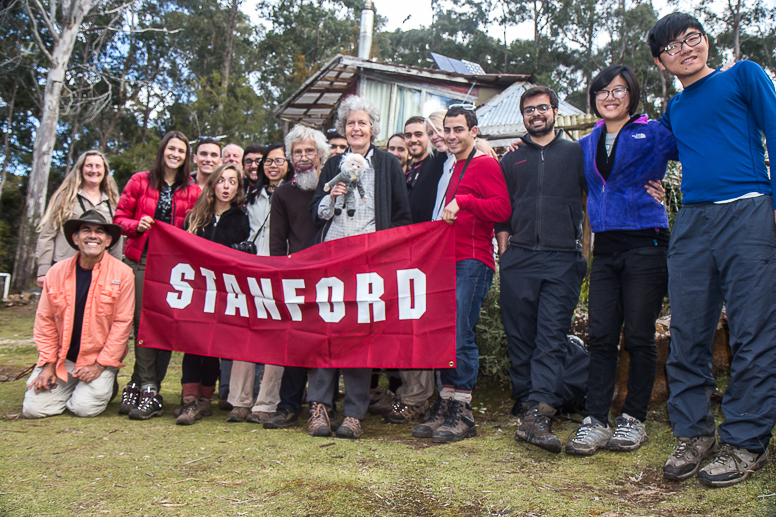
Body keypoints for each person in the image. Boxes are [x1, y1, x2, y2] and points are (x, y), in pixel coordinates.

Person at [647, 13, 776, 487]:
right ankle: (693, 432)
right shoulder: (675, 111)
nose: (685, 48)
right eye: (673, 46)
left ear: (706, 41)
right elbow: (644, 148)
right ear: (662, 61)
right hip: (695, 221)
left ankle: (745, 442)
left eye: (692, 38)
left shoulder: (744, 75)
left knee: (752, 330)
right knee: (688, 331)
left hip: (748, 209)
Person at [565, 65, 677, 456]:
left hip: (647, 242)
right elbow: (555, 166)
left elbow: (696, 151)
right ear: (594, 98)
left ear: (632, 95)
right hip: (607, 249)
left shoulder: (653, 131)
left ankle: (633, 419)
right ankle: (595, 419)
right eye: (602, 91)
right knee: (602, 336)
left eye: (619, 90)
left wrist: (678, 190)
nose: (610, 97)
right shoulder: (585, 143)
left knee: (641, 335)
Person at [308, 95, 412, 439]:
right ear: (343, 128)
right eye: (351, 122)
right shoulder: (332, 163)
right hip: (332, 256)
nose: (356, 128)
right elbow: (315, 213)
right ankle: (320, 406)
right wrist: (331, 195)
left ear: (373, 128)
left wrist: (389, 256)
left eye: (362, 122)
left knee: (359, 334)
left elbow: (401, 216)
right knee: (326, 330)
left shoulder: (387, 164)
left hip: (370, 260)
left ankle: (354, 412)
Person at [495, 87, 588, 453]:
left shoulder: (576, 153)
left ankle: (541, 409)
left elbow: (599, 189)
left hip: (562, 257)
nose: (536, 114)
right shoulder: (512, 158)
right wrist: (505, 245)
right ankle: (525, 398)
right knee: (519, 333)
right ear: (523, 116)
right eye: (529, 110)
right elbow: (503, 205)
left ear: (555, 112)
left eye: (542, 108)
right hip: (519, 257)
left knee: (551, 335)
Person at [410, 105, 510, 443]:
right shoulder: (451, 166)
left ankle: (463, 410)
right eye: (447, 130)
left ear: (473, 132)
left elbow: (502, 208)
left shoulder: (483, 164)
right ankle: (447, 402)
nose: (451, 136)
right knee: (445, 333)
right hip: (445, 260)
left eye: (458, 130)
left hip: (472, 259)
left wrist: (466, 201)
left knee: (460, 334)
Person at [114, 131, 201, 420]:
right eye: (171, 149)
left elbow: (196, 226)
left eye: (181, 151)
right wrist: (136, 225)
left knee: (162, 326)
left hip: (173, 268)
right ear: (163, 150)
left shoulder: (192, 189)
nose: (175, 154)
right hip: (141, 261)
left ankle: (146, 386)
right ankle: (144, 384)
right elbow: (118, 219)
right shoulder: (140, 181)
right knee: (142, 323)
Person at [23, 210, 133, 419]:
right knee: (33, 410)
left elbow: (122, 323)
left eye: (99, 232)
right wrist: (48, 364)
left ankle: (105, 381)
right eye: (86, 230)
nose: (93, 236)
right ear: (75, 238)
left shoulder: (122, 273)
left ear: (108, 240)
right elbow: (44, 320)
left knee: (84, 409)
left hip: (97, 358)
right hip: (62, 359)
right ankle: (69, 387)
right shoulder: (56, 272)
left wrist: (100, 365)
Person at [261, 125, 330, 430]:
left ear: (320, 154)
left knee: (326, 342)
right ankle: (288, 405)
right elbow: (277, 241)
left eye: (309, 151)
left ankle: (321, 404)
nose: (303, 157)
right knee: (294, 342)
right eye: (297, 152)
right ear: (290, 158)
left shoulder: (332, 186)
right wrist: (279, 275)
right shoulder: (283, 193)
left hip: (332, 276)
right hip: (296, 277)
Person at [225, 143, 295, 424]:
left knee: (276, 339)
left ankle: (266, 402)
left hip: (281, 272)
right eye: (268, 161)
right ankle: (239, 400)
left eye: (279, 160)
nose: (273, 165)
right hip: (250, 272)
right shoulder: (249, 196)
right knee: (246, 336)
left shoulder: (293, 194)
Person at [176, 163, 250, 425]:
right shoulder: (196, 216)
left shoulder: (242, 219)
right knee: (192, 342)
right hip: (197, 288)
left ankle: (206, 397)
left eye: (232, 181)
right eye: (221, 180)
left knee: (213, 344)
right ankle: (189, 398)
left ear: (238, 187)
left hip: (223, 290)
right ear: (213, 184)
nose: (226, 186)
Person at [35, 150, 122, 288]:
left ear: (105, 171)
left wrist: (117, 271)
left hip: (99, 273)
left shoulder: (113, 203)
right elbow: (47, 235)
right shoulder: (65, 198)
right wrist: (43, 269)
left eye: (98, 166)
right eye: (89, 166)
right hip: (64, 269)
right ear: (81, 169)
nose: (94, 170)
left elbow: (117, 241)